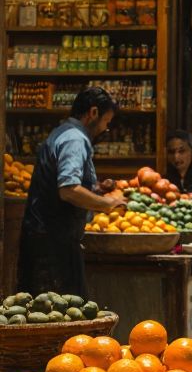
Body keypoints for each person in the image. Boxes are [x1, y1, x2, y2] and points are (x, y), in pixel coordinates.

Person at [18, 87, 126, 297]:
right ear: (93, 113)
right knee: (60, 315)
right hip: (53, 246)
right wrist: (108, 204)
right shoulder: (75, 139)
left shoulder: (64, 132)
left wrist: (96, 189)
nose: (106, 128)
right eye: (106, 121)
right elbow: (69, 190)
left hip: (47, 240)